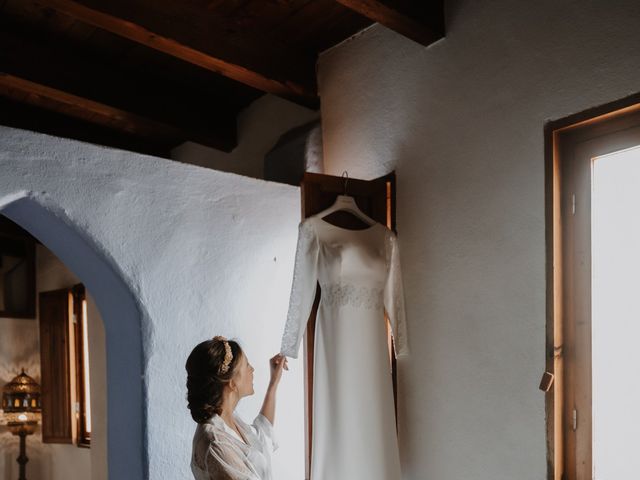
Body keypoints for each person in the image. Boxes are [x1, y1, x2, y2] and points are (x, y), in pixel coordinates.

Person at [186, 336, 287, 480]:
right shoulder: (214, 443)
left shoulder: (230, 422)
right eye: (246, 365)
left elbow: (261, 436)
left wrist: (274, 383)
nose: (252, 369)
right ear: (232, 382)